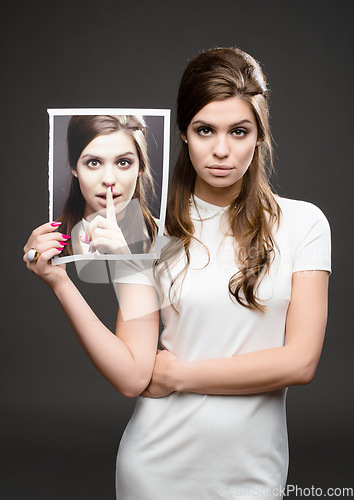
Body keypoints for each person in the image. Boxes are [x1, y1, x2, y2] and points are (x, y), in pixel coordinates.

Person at [23, 47, 331, 499]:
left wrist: (180, 376)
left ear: (259, 136)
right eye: (205, 130)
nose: (221, 150)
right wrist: (59, 282)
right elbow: (132, 375)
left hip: (254, 471)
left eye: (239, 131)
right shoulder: (142, 224)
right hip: (157, 470)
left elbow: (300, 362)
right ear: (184, 133)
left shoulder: (305, 223)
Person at [56, 114, 157, 257]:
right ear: (74, 167)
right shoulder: (53, 241)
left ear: (141, 167)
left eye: (123, 162)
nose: (109, 180)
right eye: (94, 163)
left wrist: (125, 258)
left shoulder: (167, 236)